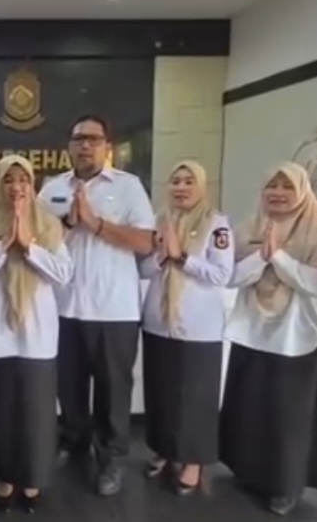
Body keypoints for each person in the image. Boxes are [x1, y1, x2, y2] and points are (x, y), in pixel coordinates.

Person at [37, 115, 157, 496]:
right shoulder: (52, 189)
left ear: (108, 146)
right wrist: (70, 225)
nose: (85, 145)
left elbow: (146, 243)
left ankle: (112, 457)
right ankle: (74, 440)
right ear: (69, 146)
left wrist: (96, 223)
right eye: (78, 139)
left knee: (113, 390)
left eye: (93, 139)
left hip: (114, 309)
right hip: (63, 307)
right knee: (68, 387)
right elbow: (36, 241)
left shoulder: (128, 187)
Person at [219, 162, 317, 515]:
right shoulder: (248, 227)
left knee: (289, 420)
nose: (278, 193)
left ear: (302, 192)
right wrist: (261, 256)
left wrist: (279, 258)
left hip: (295, 336)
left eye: (287, 187)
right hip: (252, 331)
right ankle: (249, 473)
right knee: (251, 411)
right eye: (272, 186)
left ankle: (286, 487)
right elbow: (230, 277)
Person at [0, 155, 73, 513]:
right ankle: (4, 476)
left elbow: (64, 274)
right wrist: (3, 245)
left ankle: (33, 478)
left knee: (36, 414)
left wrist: (28, 246)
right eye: (8, 180)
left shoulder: (48, 224)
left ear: (32, 184)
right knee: (0, 411)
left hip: (37, 334)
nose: (16, 187)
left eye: (23, 179)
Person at [138, 160, 233, 496]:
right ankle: (164, 449)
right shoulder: (159, 221)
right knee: (161, 392)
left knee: (194, 397)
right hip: (158, 321)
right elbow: (143, 269)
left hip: (197, 326)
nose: (180, 187)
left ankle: (194, 461)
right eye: (175, 181)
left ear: (201, 186)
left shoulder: (216, 225)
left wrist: (182, 257)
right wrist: (163, 257)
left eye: (188, 181)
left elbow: (222, 275)